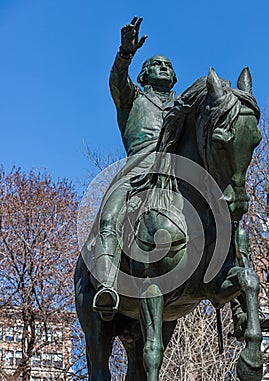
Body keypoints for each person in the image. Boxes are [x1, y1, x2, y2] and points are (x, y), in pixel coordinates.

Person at [90, 17, 177, 320]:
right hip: (137, 173)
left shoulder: (184, 107)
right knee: (109, 217)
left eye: (167, 65)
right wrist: (125, 54)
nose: (163, 67)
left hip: (179, 176)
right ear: (144, 75)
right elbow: (117, 81)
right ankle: (107, 285)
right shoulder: (132, 99)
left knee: (223, 213)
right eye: (156, 64)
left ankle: (239, 304)